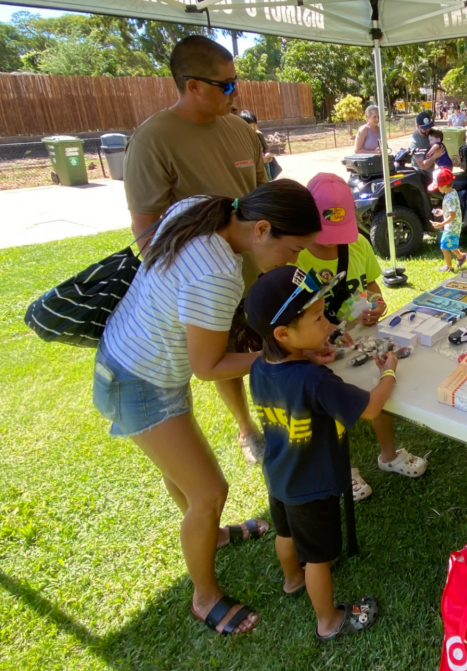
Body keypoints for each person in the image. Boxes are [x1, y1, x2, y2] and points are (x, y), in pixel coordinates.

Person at [93, 182, 325, 635]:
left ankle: (214, 537)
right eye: (293, 250)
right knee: (208, 493)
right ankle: (204, 597)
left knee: (185, 474)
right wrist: (284, 354)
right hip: (138, 380)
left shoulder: (199, 207)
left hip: (135, 358)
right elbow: (209, 365)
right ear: (261, 229)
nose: (294, 262)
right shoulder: (217, 273)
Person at [122, 35, 270, 466]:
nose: (235, 92)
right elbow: (147, 232)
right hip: (207, 286)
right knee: (224, 355)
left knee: (267, 344)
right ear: (192, 86)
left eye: (235, 81)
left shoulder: (242, 130)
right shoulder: (152, 141)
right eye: (225, 85)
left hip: (258, 271)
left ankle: (283, 416)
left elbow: (261, 196)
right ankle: (247, 427)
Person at [245, 265, 397, 640]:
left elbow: (290, 380)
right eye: (316, 318)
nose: (328, 322)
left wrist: (308, 355)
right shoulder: (317, 381)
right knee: (318, 555)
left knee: (286, 533)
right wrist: (390, 373)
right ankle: (328, 620)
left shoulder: (261, 366)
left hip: (280, 475)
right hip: (313, 486)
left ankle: (292, 580)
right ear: (284, 333)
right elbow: (372, 408)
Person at [295, 173, 427, 498]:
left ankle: (389, 454)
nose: (334, 241)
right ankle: (344, 469)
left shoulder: (358, 243)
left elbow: (372, 289)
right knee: (331, 409)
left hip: (359, 339)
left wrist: (378, 306)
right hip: (317, 350)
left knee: (374, 391)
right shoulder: (296, 257)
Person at [430, 168, 467, 273]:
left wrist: (440, 224)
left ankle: (449, 267)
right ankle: (461, 256)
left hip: (452, 227)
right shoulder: (451, 193)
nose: (438, 189)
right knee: (449, 244)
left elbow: (453, 215)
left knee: (444, 246)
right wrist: (442, 212)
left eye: (438, 186)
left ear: (444, 185)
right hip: (452, 226)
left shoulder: (450, 197)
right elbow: (451, 211)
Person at [238, 110, 280, 181]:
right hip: (249, 172)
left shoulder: (259, 134)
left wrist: (268, 156)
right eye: (249, 126)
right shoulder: (239, 139)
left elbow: (266, 151)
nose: (253, 128)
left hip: (263, 170)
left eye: (254, 125)